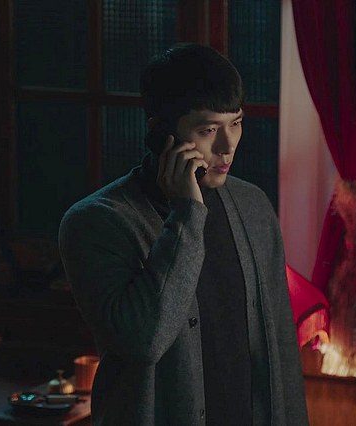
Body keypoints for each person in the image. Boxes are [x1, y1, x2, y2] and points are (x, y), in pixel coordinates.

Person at [58, 43, 309, 426]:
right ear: (161, 135)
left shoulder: (253, 206)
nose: (227, 146)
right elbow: (144, 341)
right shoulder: (96, 222)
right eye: (208, 130)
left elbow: (282, 349)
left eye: (236, 123)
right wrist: (187, 214)